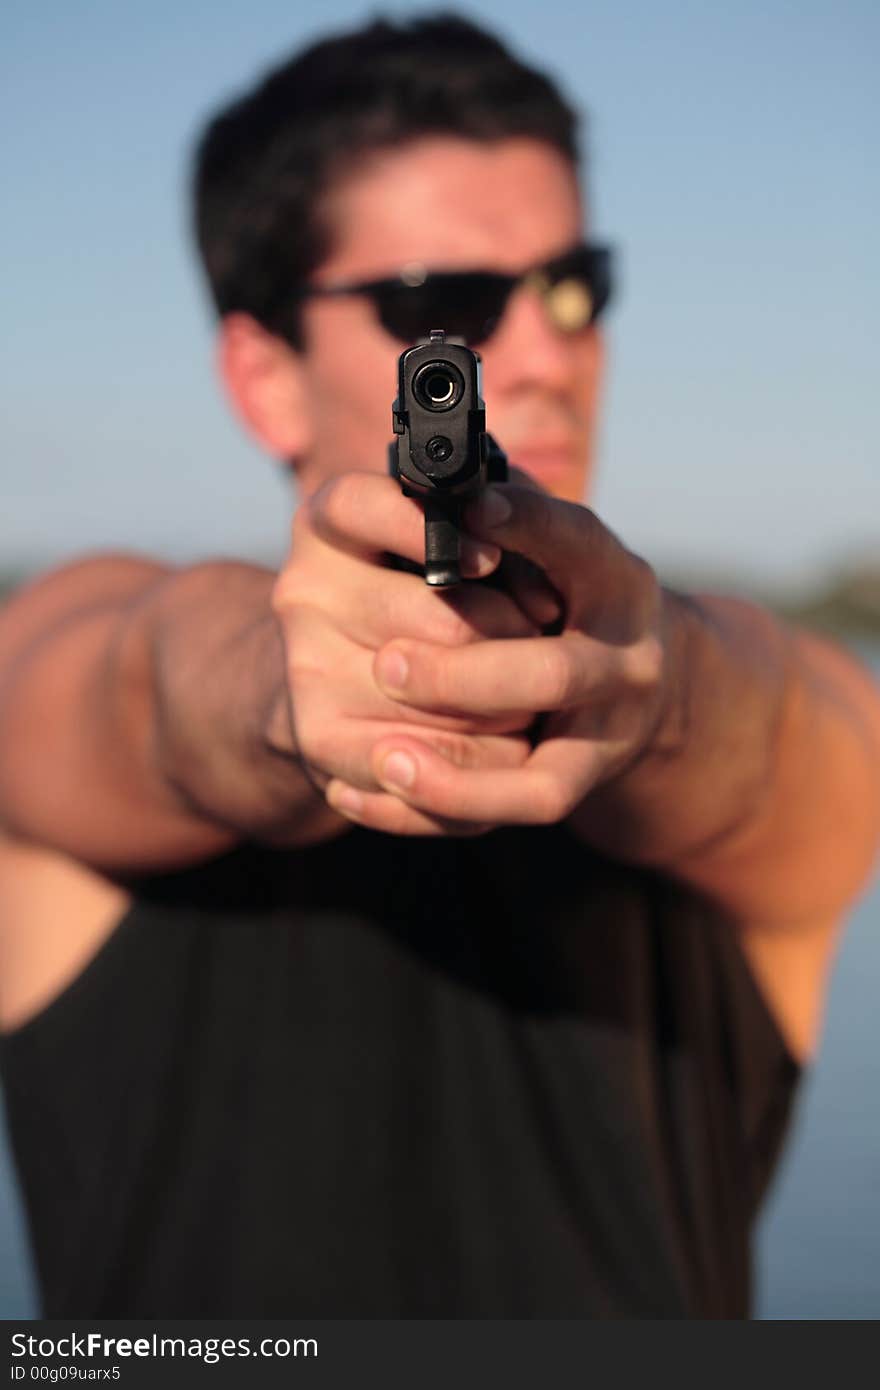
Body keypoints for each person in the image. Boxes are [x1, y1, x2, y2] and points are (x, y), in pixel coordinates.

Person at [0, 14, 878, 1319]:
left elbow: (780, 738)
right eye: (442, 303)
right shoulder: (90, 656)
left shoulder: (724, 696)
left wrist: (653, 681)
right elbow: (130, 683)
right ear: (263, 376)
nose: (541, 351)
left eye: (575, 286)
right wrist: (281, 697)